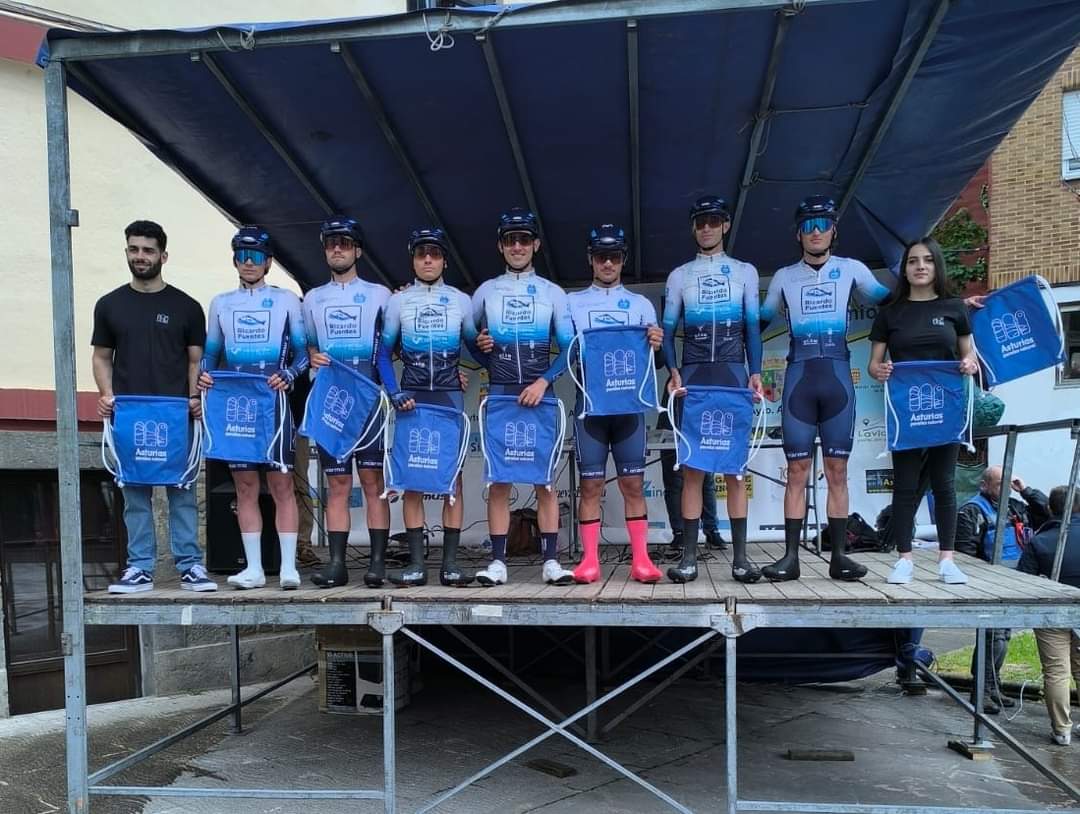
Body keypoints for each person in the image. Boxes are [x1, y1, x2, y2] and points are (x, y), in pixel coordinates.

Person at [759, 195, 892, 582]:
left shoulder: (852, 269)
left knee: (837, 470)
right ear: (798, 233)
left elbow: (897, 304)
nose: (815, 231)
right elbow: (758, 324)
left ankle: (839, 557)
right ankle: (789, 558)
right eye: (808, 224)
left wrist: (950, 305)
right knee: (797, 470)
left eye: (823, 223)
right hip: (800, 378)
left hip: (837, 377)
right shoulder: (784, 277)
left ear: (834, 229)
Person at [95, 220, 217, 593]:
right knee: (134, 492)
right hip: (129, 414)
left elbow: (196, 360)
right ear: (127, 252)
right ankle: (140, 568)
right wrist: (106, 394)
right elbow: (102, 358)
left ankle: (191, 566)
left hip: (176, 413)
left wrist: (196, 398)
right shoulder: (109, 305)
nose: (140, 256)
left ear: (163, 255)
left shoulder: (186, 307)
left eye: (148, 250)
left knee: (181, 492)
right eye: (134, 249)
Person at [198, 226, 308, 590]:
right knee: (244, 487)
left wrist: (289, 375)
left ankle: (289, 568)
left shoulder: (287, 300)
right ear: (235, 260)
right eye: (242, 256)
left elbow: (304, 354)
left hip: (273, 403)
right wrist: (204, 376)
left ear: (268, 263)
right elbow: (210, 354)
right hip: (236, 406)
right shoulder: (220, 302)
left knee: (281, 485)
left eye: (256, 257)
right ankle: (254, 569)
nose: (249, 262)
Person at [471, 208, 576, 586]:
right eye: (510, 239)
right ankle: (498, 562)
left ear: (535, 244)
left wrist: (545, 382)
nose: (517, 246)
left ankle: (550, 561)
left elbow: (570, 349)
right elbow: (468, 341)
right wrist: (481, 348)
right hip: (500, 395)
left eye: (524, 239)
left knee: (544, 481)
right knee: (498, 482)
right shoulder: (485, 291)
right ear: (501, 246)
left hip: (539, 395)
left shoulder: (553, 293)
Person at [663, 195, 763, 583]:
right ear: (693, 227)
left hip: (734, 375)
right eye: (700, 221)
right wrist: (673, 371)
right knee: (693, 469)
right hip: (693, 375)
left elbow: (752, 328)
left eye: (714, 220)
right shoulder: (679, 275)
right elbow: (669, 332)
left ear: (725, 225)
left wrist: (755, 371)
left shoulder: (745, 271)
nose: (707, 227)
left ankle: (740, 558)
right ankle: (689, 557)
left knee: (735, 470)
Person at [868, 236, 978, 585]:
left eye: (927, 260)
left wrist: (969, 365)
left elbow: (969, 355)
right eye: (913, 261)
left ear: (936, 266)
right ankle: (904, 560)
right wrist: (880, 370)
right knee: (905, 485)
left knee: (945, 483)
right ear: (905, 269)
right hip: (907, 411)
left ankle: (947, 560)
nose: (920, 266)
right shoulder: (891, 313)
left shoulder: (954, 308)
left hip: (946, 407)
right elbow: (874, 364)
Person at [381, 228, 483, 587]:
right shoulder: (398, 302)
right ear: (412, 258)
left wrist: (485, 346)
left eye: (435, 254)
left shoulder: (461, 300)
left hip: (447, 397)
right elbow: (382, 354)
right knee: (412, 482)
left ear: (444, 260)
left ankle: (450, 565)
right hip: (411, 398)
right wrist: (394, 392)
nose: (428, 259)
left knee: (451, 480)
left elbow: (475, 351)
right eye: (421, 253)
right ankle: (417, 566)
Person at [566, 224, 664, 584]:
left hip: (629, 410)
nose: (607, 263)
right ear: (591, 260)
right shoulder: (571, 302)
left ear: (623, 260)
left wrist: (656, 342)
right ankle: (589, 561)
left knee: (633, 486)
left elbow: (656, 362)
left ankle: (641, 561)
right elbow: (561, 349)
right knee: (590, 487)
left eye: (614, 256)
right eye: (600, 256)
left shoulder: (641, 305)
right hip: (591, 408)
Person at [302, 215, 395, 588]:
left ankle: (377, 564)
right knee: (337, 484)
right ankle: (337, 565)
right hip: (330, 398)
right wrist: (310, 354)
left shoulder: (381, 295)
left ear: (357, 250)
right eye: (330, 243)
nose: (337, 249)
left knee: (373, 482)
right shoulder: (312, 298)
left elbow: (394, 342)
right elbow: (303, 344)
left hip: (369, 398)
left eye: (344, 243)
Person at [956, 464, 1049, 712]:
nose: (1006, 487)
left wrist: (1026, 490)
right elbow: (964, 553)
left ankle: (993, 686)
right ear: (984, 485)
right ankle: (982, 691)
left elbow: (1048, 514)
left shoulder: (1015, 506)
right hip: (989, 585)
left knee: (1003, 637)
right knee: (992, 637)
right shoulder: (972, 510)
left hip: (1014, 582)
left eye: (1009, 482)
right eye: (1000, 483)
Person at [1019, 485, 1080, 745]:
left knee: (1056, 671)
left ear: (1049, 508)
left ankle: (1062, 730)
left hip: (1053, 610)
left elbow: (1023, 581)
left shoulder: (1040, 540)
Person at [657, 381, 726, 552]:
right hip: (672, 428)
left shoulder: (706, 376)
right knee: (675, 483)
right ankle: (680, 533)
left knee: (706, 480)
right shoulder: (675, 377)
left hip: (700, 428)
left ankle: (711, 530)